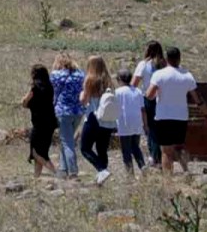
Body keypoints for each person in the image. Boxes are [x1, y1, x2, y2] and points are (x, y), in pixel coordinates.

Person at [146, 46, 207, 176]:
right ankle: (186, 170)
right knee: (179, 146)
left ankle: (168, 178)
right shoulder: (187, 75)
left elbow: (149, 95)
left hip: (163, 116)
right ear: (179, 59)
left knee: (166, 150)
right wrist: (205, 111)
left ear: (166, 59)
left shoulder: (159, 74)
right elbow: (197, 98)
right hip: (181, 117)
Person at [79, 56, 116, 185]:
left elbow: (84, 101)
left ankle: (102, 170)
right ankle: (102, 177)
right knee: (102, 149)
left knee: (85, 148)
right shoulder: (108, 81)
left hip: (94, 117)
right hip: (108, 120)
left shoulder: (90, 80)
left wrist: (80, 95)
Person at [49, 54, 85, 179]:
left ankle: (73, 171)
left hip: (63, 111)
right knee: (67, 140)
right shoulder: (80, 75)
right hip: (79, 111)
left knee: (67, 141)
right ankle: (63, 169)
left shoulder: (56, 75)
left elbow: (53, 93)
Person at [131, 41, 166, 167]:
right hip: (164, 99)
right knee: (161, 128)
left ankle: (153, 156)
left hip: (149, 98)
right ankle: (162, 156)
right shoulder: (165, 64)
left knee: (151, 128)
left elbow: (134, 83)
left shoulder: (144, 64)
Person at [21, 64, 57, 178]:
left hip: (39, 124)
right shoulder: (50, 87)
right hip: (50, 123)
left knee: (35, 153)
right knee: (43, 152)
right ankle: (36, 177)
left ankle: (56, 173)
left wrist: (25, 99)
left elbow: (25, 103)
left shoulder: (35, 88)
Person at [113, 68, 146, 177]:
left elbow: (114, 108)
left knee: (126, 150)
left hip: (124, 123)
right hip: (137, 123)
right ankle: (142, 166)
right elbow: (143, 109)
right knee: (135, 146)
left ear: (119, 80)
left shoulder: (118, 92)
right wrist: (145, 124)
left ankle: (130, 173)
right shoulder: (138, 91)